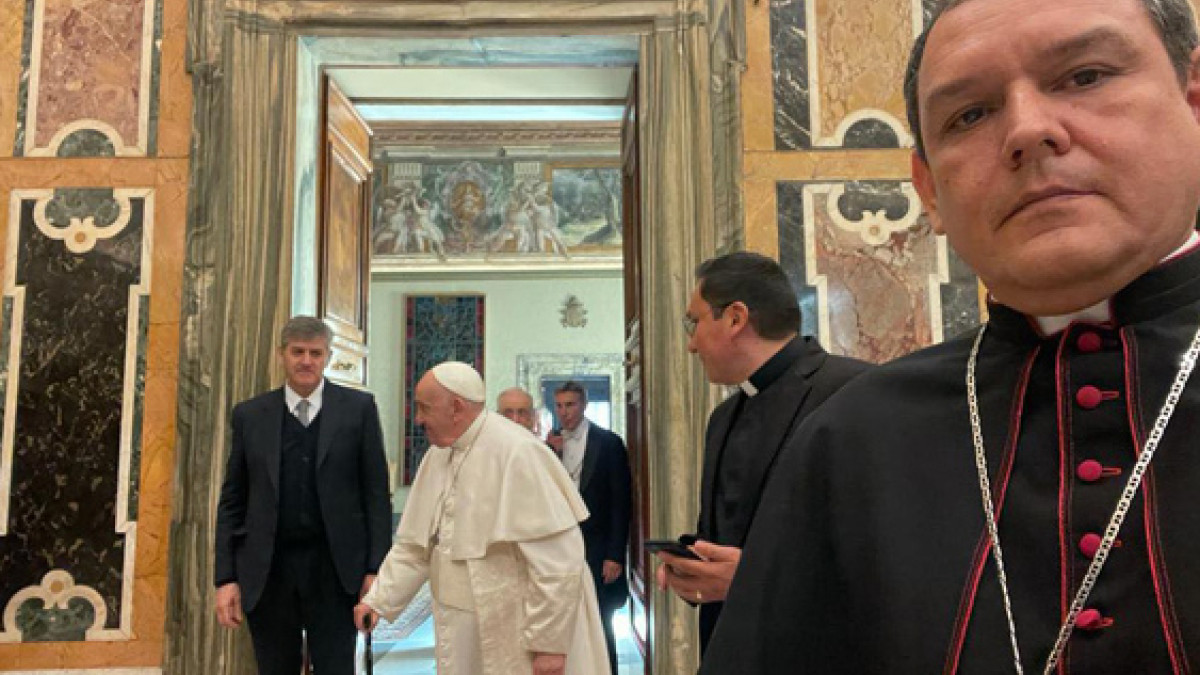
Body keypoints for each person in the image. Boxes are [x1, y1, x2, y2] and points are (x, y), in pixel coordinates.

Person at [700, 0, 1200, 672]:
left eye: (1085, 76)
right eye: (969, 115)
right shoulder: (851, 441)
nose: (1028, 130)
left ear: (1193, 102)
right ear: (929, 189)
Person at [654, 251, 870, 655]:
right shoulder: (722, 417)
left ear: (735, 318)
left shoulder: (857, 393)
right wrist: (694, 566)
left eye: (694, 322)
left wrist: (756, 581)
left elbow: (883, 556)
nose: (691, 345)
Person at [355, 362, 610, 675]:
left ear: (456, 408)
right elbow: (416, 546)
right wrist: (379, 601)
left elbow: (557, 563)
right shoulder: (437, 454)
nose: (418, 419)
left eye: (424, 408)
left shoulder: (519, 451)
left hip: (518, 627)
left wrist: (549, 645)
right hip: (462, 627)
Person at [213, 316, 391, 675]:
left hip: (336, 571)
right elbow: (234, 499)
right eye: (298, 352)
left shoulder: (358, 409)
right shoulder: (250, 415)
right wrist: (225, 578)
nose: (306, 361)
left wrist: (376, 571)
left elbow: (375, 496)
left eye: (315, 353)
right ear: (282, 354)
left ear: (328, 357)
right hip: (269, 571)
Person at [547, 381, 632, 675]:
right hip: (560, 550)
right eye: (559, 406)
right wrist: (553, 454)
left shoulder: (609, 443)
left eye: (570, 405)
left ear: (583, 404)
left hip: (598, 549)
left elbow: (621, 503)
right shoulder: (548, 446)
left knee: (601, 622)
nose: (564, 412)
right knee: (562, 621)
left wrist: (615, 555)